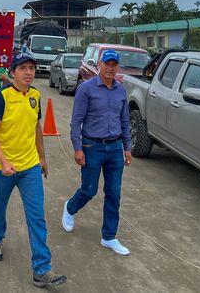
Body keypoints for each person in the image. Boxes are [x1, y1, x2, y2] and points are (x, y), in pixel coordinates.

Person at [0, 53, 67, 288]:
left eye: (32, 68)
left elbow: (36, 127)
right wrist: (3, 161)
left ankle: (41, 269)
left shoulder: (35, 95)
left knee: (36, 216)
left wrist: (42, 157)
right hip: (4, 168)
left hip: (30, 166)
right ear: (13, 72)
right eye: (23, 68)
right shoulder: (2, 97)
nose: (29, 72)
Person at [61, 50, 132, 256]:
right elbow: (76, 121)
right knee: (89, 190)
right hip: (92, 147)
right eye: (106, 64)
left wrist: (127, 147)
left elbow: (124, 120)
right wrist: (77, 148)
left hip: (115, 148)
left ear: (118, 67)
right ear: (99, 65)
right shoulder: (86, 88)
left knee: (114, 193)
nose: (110, 68)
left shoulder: (121, 90)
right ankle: (70, 208)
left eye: (114, 64)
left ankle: (109, 236)